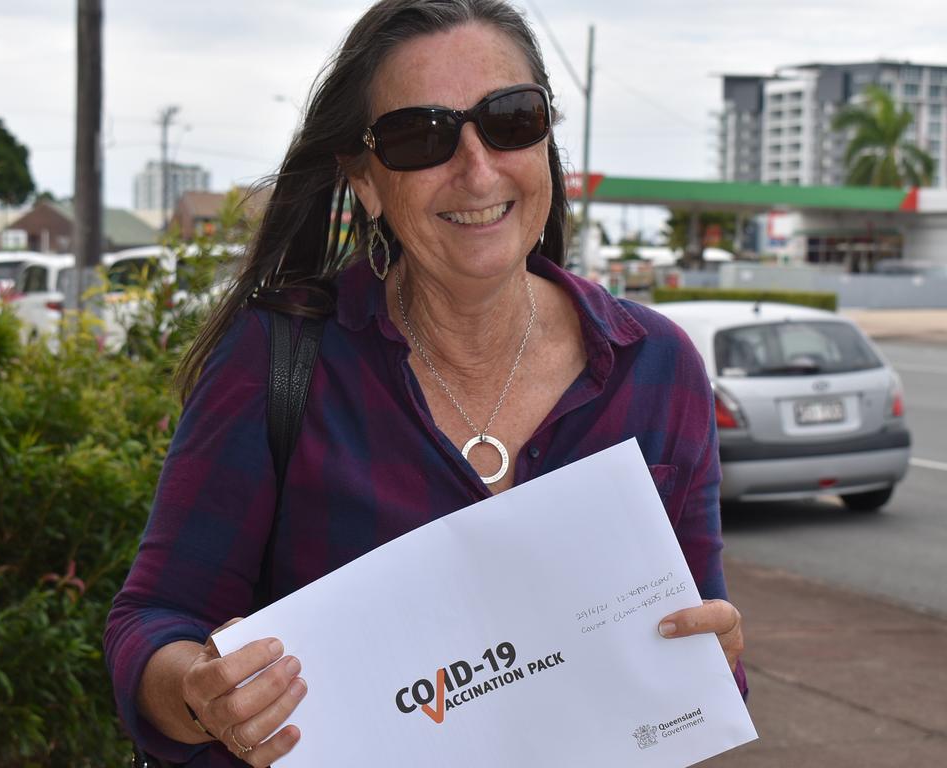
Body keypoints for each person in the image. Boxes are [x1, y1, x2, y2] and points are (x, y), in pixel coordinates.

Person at [104, 1, 746, 765]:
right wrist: (202, 694)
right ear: (367, 181)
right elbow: (153, 622)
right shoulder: (277, 360)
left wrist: (721, 659)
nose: (477, 169)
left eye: (510, 118)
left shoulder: (658, 367)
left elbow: (701, 666)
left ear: (546, 140)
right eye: (421, 135)